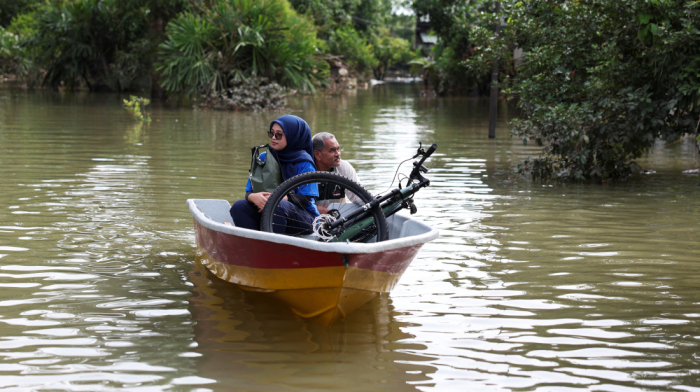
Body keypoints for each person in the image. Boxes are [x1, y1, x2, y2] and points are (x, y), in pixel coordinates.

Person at [230, 115, 319, 234]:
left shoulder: (305, 163)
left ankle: (270, 248)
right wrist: (254, 198)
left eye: (279, 134)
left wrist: (274, 199)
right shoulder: (263, 157)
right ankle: (252, 246)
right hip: (265, 211)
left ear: (293, 136)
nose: (273, 138)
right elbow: (249, 191)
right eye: (271, 133)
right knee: (239, 206)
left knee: (278, 206)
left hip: (304, 219)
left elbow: (305, 199)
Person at [311, 132, 363, 214]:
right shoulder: (305, 171)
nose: (338, 154)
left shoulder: (344, 167)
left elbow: (358, 195)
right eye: (332, 150)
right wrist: (314, 209)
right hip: (309, 219)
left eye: (338, 149)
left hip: (339, 220)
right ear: (317, 154)